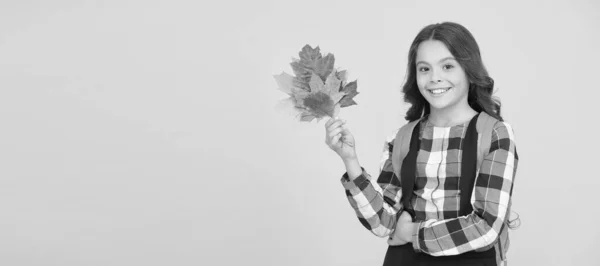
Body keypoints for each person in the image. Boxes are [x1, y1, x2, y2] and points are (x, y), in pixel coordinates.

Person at [324, 22, 519, 266]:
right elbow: (384, 223)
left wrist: (412, 234)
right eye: (424, 69)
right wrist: (350, 159)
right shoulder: (403, 137)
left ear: (469, 70)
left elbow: (487, 227)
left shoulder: (494, 134)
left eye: (447, 66)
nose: (435, 78)